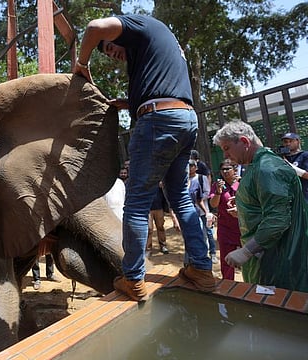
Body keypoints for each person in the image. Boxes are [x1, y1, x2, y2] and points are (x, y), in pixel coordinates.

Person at [74, 14, 215, 300]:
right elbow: (163, 89)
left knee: (137, 202)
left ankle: (133, 278)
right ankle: (201, 269)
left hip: (158, 121)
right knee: (181, 198)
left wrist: (81, 64)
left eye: (111, 47)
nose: (112, 54)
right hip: (185, 118)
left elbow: (93, 28)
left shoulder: (141, 26)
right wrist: (127, 103)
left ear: (119, 35)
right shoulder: (160, 45)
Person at [212, 121, 308, 292]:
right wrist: (244, 204)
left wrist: (246, 251)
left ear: (244, 142)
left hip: (279, 263)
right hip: (267, 259)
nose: (225, 156)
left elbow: (277, 220)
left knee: (279, 309)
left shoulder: (267, 168)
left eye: (227, 148)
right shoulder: (257, 165)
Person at [209, 159, 241, 280]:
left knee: (249, 257)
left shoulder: (242, 183)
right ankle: (228, 285)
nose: (225, 171)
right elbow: (213, 204)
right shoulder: (217, 186)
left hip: (243, 227)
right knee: (226, 259)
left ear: (235, 169)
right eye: (223, 169)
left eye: (228, 168)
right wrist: (218, 192)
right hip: (225, 228)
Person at [187, 160, 217, 263]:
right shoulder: (185, 180)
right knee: (197, 233)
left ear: (196, 167)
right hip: (191, 212)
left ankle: (212, 253)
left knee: (208, 232)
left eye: (192, 166)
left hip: (203, 210)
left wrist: (196, 198)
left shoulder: (201, 178)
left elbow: (207, 193)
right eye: (188, 166)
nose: (190, 168)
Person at [146, 181, 179, 257]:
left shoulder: (160, 183)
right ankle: (148, 249)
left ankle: (163, 245)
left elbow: (166, 194)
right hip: (148, 209)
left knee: (160, 227)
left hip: (159, 208)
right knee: (149, 229)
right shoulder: (146, 183)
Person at [280, 132, 308, 202]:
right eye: (285, 142)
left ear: (298, 141)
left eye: (291, 141)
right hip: (288, 197)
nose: (288, 144)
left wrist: (288, 164)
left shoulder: (305, 155)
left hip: (304, 195)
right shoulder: (281, 158)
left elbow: (307, 175)